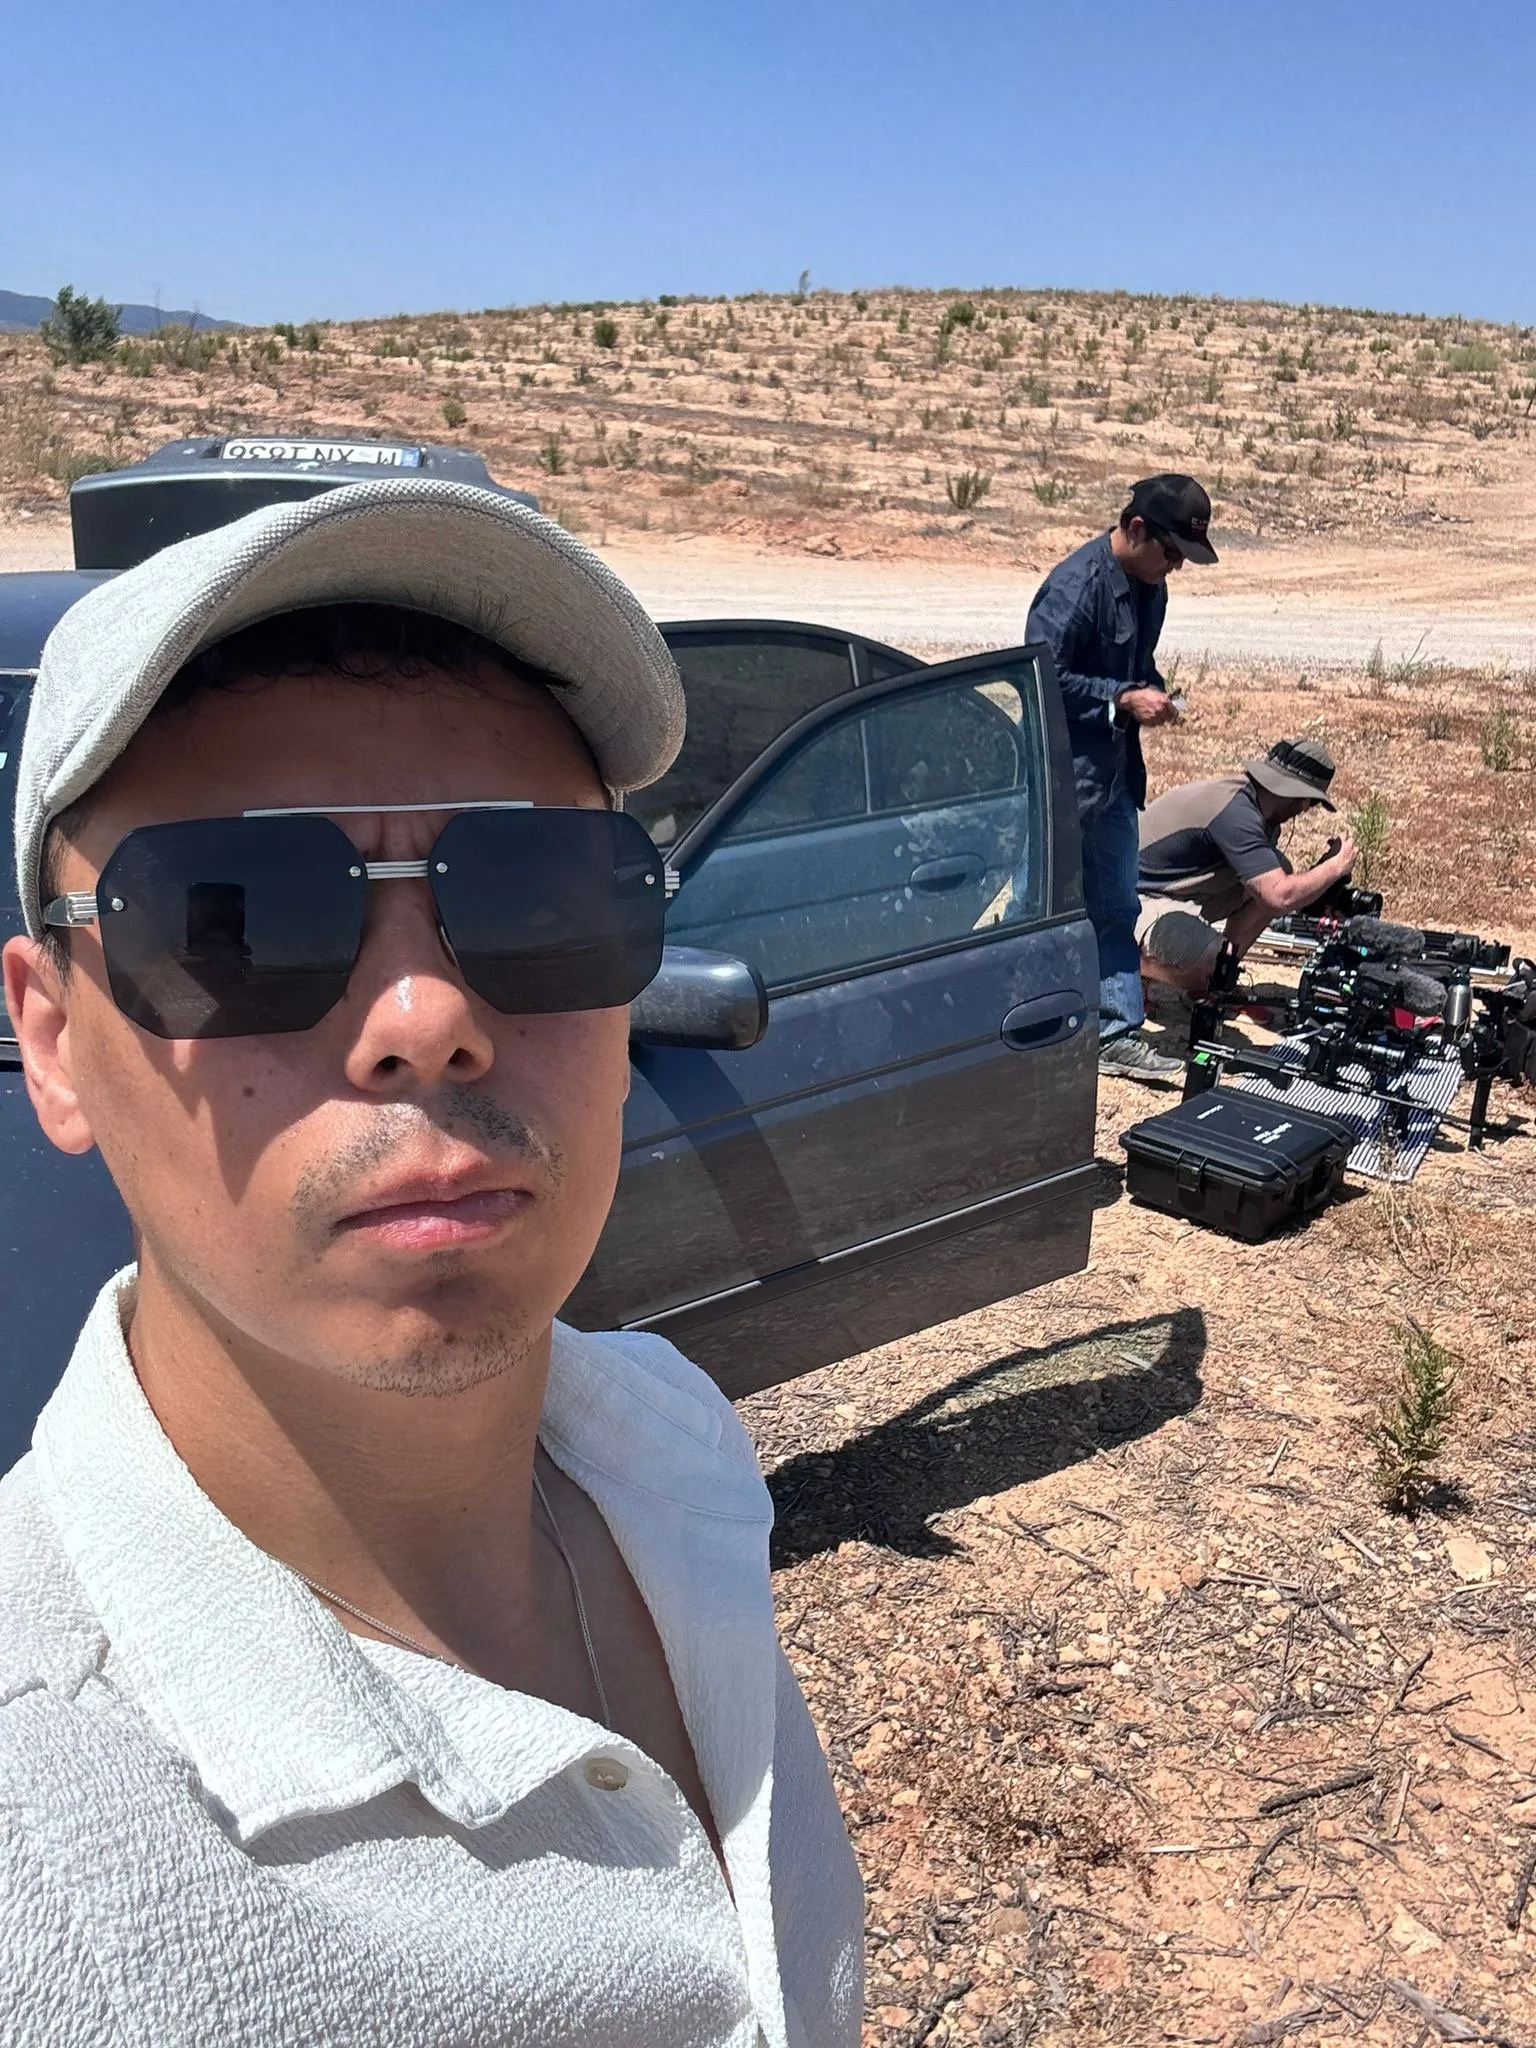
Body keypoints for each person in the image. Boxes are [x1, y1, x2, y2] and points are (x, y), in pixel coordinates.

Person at [0, 480, 862, 2047]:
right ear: (52, 1041)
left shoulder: (666, 1442)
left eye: (536, 899)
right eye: (237, 916)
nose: (426, 1017)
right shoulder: (40, 1861)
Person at [1027, 474, 1218, 1084]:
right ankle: (1021, 1021)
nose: (1176, 567)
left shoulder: (1150, 588)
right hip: (1063, 777)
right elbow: (1039, 678)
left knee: (1115, 904)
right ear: (1136, 529)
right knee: (1041, 907)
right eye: (1171, 552)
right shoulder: (1076, 586)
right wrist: (1120, 698)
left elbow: (1135, 668)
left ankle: (1113, 1031)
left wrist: (1152, 691)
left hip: (1113, 776)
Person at [1137, 737, 1358, 993]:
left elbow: (1279, 891)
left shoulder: (1259, 810)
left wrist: (1323, 877)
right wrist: (1334, 868)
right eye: (1312, 801)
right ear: (1296, 794)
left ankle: (1216, 982)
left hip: (1175, 891)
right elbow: (1280, 896)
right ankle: (1130, 967)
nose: (1307, 810)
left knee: (1278, 868)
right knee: (1212, 965)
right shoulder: (1236, 813)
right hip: (1131, 900)